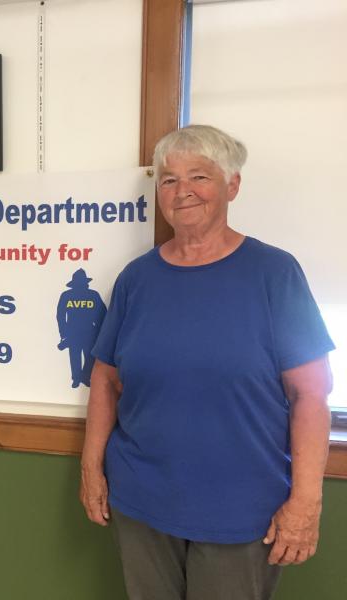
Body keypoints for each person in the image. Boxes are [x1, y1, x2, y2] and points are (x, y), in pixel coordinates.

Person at [80, 124, 334, 600]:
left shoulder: (274, 273)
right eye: (169, 180)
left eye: (200, 176)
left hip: (242, 510)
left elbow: (311, 394)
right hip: (141, 500)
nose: (183, 191)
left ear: (232, 185)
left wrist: (306, 501)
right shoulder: (136, 279)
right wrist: (92, 469)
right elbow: (105, 380)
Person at [56, 268, 107, 388]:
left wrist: (64, 333)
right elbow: (60, 315)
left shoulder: (91, 295)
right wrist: (64, 334)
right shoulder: (67, 296)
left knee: (89, 357)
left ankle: (83, 377)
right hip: (77, 331)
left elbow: (102, 313)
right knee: (76, 356)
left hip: (86, 331)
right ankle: (77, 378)